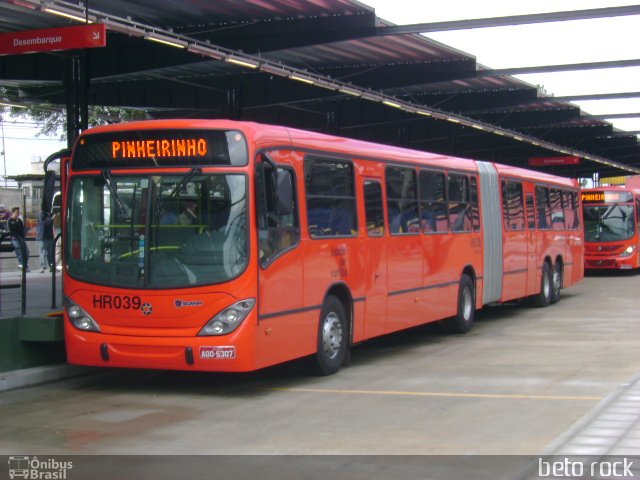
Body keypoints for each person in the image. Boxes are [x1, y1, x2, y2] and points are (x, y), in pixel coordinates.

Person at [7, 206, 29, 271]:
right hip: (15, 239)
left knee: (26, 253)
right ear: (13, 213)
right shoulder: (10, 221)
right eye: (16, 213)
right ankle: (23, 266)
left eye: (18, 213)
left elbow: (22, 229)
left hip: (21, 238)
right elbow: (11, 230)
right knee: (20, 253)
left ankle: (23, 265)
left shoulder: (19, 220)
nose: (18, 214)